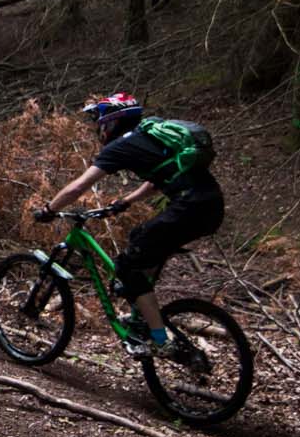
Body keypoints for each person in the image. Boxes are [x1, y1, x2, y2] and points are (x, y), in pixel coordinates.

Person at [33, 92, 224, 354]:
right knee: (139, 240)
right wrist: (126, 201)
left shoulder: (120, 147)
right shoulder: (148, 137)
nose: (98, 129)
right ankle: (142, 315)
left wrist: (49, 209)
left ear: (112, 122)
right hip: (209, 206)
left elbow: (78, 187)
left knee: (127, 266)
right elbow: (159, 178)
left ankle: (160, 340)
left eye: (100, 123)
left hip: (189, 207)